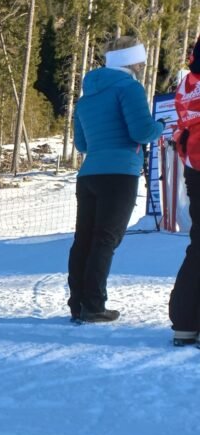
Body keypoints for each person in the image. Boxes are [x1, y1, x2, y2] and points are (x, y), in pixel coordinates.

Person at [69, 36, 164, 323]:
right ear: (132, 60)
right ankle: (94, 305)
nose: (143, 64)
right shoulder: (129, 87)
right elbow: (141, 132)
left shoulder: (86, 97)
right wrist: (160, 126)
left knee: (84, 239)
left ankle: (78, 304)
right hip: (120, 172)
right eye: (141, 58)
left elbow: (82, 145)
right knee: (106, 239)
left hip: (89, 174)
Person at [169, 37, 200, 345]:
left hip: (195, 166)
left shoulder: (188, 83)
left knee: (199, 244)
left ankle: (185, 323)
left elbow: (183, 125)